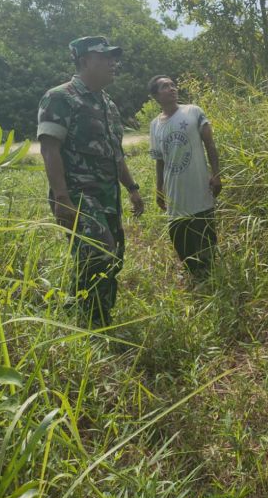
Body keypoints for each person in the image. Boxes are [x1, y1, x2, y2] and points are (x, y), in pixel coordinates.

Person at [37, 36, 144, 327]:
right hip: (77, 194)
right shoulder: (61, 97)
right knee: (98, 252)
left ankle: (96, 313)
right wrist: (61, 198)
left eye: (113, 58)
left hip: (108, 194)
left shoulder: (107, 104)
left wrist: (132, 188)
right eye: (105, 57)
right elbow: (50, 148)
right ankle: (91, 323)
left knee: (114, 255)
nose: (113, 63)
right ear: (84, 61)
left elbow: (115, 152)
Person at [148, 75, 222, 271]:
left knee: (205, 236)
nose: (172, 88)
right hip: (174, 193)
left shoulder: (193, 111)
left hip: (199, 187)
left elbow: (210, 145)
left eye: (173, 85)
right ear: (156, 95)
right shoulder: (155, 125)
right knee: (181, 240)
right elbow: (159, 161)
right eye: (165, 86)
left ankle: (210, 275)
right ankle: (195, 276)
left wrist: (216, 174)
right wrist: (159, 189)